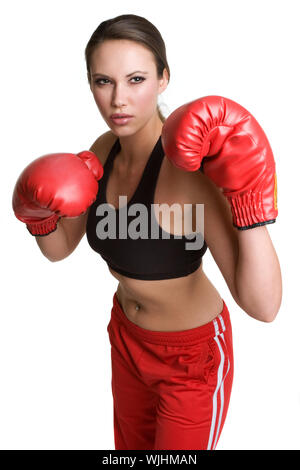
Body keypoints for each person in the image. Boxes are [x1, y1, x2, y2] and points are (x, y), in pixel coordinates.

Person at [12, 14, 282, 450]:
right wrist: (38, 215)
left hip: (191, 359)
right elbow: (59, 249)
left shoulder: (190, 172)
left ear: (163, 78)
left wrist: (251, 207)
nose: (119, 99)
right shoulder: (103, 150)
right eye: (103, 81)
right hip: (127, 340)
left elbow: (264, 306)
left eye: (135, 79)